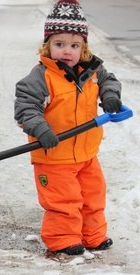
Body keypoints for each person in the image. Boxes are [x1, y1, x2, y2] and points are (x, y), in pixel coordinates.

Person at [14, 0, 122, 255]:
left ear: (83, 47)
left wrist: (109, 96)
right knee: (63, 202)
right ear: (47, 45)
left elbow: (109, 81)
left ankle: (93, 236)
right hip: (54, 154)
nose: (67, 51)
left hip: (86, 154)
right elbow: (26, 107)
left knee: (93, 197)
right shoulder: (41, 76)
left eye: (74, 45)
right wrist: (41, 129)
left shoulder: (93, 71)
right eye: (59, 44)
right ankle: (63, 240)